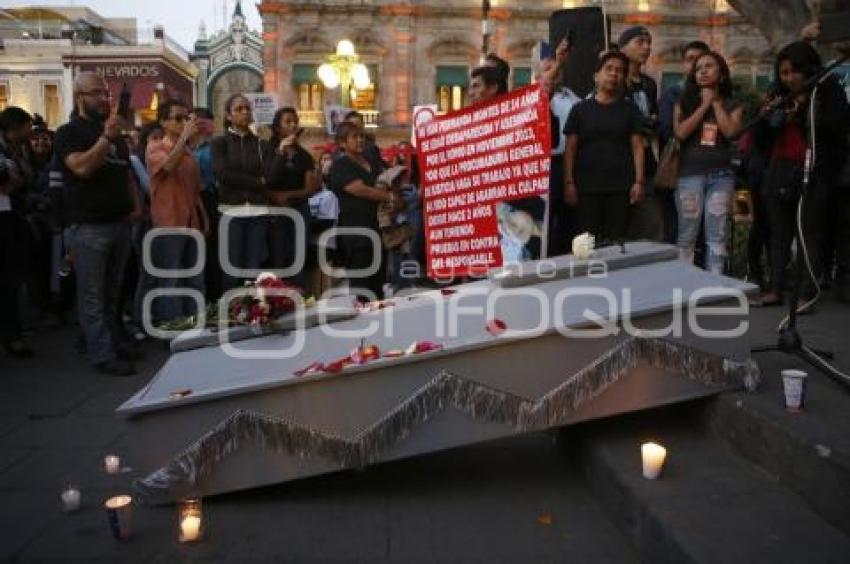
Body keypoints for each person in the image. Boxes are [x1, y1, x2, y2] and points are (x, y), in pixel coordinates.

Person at [53, 72, 141, 375]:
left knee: (112, 293)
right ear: (80, 97)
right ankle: (102, 354)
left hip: (119, 223)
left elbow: (125, 174)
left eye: (107, 93)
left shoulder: (115, 136)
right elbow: (82, 168)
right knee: (92, 295)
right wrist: (106, 138)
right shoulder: (69, 132)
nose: (105, 99)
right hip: (89, 227)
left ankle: (115, 341)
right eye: (97, 94)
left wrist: (134, 207)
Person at [753, 41, 850, 309]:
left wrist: (807, 111)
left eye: (794, 71)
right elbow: (760, 140)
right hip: (779, 169)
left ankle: (807, 292)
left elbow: (838, 130)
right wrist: (765, 117)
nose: (788, 78)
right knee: (779, 233)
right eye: (783, 73)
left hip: (814, 171)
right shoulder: (777, 94)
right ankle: (775, 288)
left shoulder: (827, 91)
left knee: (809, 232)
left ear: (808, 69)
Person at [564, 50, 645, 244]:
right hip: (586, 187)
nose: (614, 74)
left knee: (616, 242)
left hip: (620, 187)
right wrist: (568, 182)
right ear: (596, 76)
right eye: (608, 69)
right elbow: (570, 149)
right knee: (584, 243)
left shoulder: (630, 110)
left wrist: (639, 182)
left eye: (619, 70)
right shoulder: (580, 110)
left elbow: (638, 147)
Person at [673, 51, 743, 274]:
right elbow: (681, 133)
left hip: (721, 176)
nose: (702, 71)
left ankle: (715, 285)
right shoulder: (683, 101)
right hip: (689, 175)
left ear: (721, 74)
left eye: (709, 66)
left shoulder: (733, 103)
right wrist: (703, 105)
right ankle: (683, 285)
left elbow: (731, 132)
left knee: (717, 235)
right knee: (687, 234)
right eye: (698, 68)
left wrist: (715, 104)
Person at [146, 99, 208, 323]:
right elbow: (168, 167)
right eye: (178, 118)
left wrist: (204, 217)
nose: (184, 122)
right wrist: (184, 138)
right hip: (169, 222)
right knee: (171, 279)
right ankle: (172, 327)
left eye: (187, 117)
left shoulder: (189, 152)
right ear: (163, 122)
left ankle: (196, 324)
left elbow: (194, 189)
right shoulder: (156, 146)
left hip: (192, 222)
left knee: (195, 278)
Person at [212, 94, 273, 291]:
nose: (245, 112)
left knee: (253, 269)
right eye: (239, 109)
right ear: (229, 116)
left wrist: (260, 182)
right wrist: (258, 182)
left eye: (247, 108)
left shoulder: (260, 144)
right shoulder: (220, 142)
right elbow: (223, 174)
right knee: (232, 267)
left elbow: (269, 175)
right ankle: (230, 313)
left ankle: (251, 313)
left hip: (258, 212)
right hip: (232, 211)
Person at [328, 121, 395, 300]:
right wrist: (388, 197)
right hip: (356, 232)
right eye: (354, 137)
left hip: (377, 228)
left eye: (362, 136)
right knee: (362, 285)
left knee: (378, 283)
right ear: (342, 143)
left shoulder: (372, 161)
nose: (360, 140)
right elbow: (359, 189)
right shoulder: (341, 165)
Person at [535, 38, 580, 256]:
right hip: (543, 165)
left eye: (557, 68)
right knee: (543, 219)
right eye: (548, 69)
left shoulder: (573, 99)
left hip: (567, 163)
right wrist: (559, 63)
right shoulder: (533, 97)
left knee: (567, 219)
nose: (555, 72)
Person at [618, 26, 662, 242]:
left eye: (648, 43)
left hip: (646, 160)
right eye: (639, 42)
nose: (646, 48)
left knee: (651, 224)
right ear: (623, 47)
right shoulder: (615, 81)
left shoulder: (649, 84)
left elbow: (654, 118)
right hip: (621, 159)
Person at [267, 107, 318, 288]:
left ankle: (299, 295)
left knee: (298, 255)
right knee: (277, 255)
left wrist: (288, 195)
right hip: (274, 211)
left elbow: (311, 187)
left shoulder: (303, 156)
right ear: (277, 127)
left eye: (295, 121)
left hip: (298, 209)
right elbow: (267, 179)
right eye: (287, 122)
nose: (293, 125)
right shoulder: (268, 150)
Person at [0, 107, 34, 357]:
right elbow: (9, 182)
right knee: (7, 280)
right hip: (4, 220)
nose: (30, 132)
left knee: (13, 279)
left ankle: (15, 331)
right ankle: (12, 335)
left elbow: (22, 178)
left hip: (14, 217)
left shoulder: (18, 150)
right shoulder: (5, 152)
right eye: (27, 127)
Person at [190, 107, 220, 301]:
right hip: (195, 201)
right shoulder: (189, 148)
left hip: (211, 199)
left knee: (213, 253)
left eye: (201, 122)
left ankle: (214, 296)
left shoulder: (214, 147)